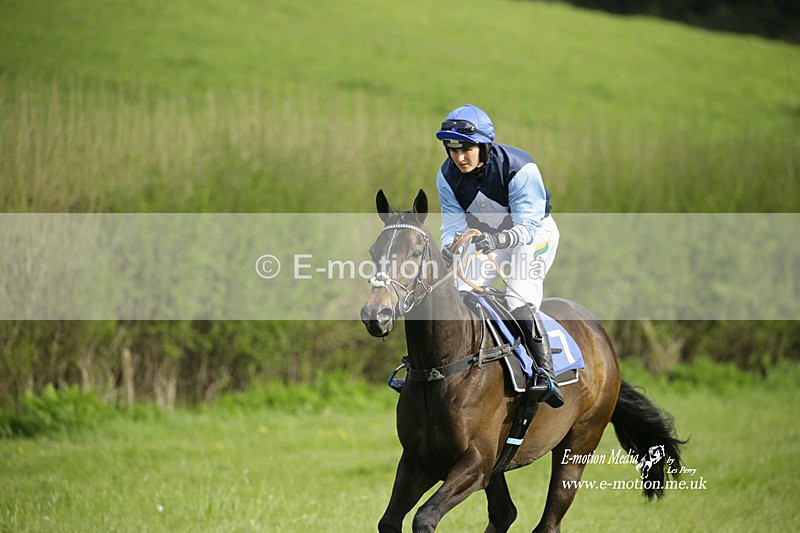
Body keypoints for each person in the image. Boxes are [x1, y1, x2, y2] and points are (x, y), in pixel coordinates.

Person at [435, 104, 563, 407]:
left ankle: (545, 373)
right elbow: (453, 226)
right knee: (460, 293)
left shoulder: (520, 169)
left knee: (518, 298)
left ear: (484, 146)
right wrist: (449, 248)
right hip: (487, 238)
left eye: (466, 149)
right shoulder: (446, 176)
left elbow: (527, 228)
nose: (459, 158)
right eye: (453, 150)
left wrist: (497, 239)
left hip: (533, 235)